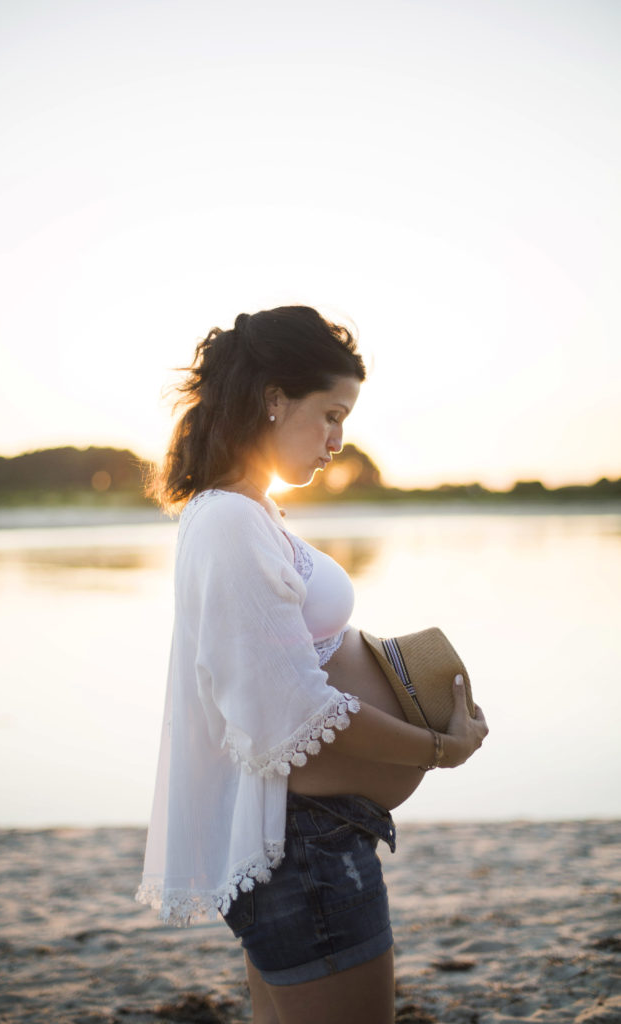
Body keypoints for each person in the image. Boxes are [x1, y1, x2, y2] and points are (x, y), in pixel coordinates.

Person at [135, 306, 488, 1024]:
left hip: (313, 839)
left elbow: (296, 660)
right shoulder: (230, 521)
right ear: (272, 398)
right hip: (305, 848)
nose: (338, 440)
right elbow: (287, 712)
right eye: (330, 414)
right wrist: (436, 748)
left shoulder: (249, 511)